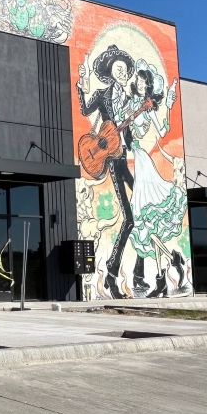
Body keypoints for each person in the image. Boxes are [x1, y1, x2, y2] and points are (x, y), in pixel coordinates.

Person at [77, 45, 136, 298]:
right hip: (111, 161)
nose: (122, 73)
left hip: (126, 157)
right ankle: (111, 274)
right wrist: (80, 85)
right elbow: (84, 111)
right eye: (117, 69)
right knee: (130, 218)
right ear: (110, 73)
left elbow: (132, 134)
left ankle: (131, 270)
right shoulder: (102, 95)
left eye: (124, 69)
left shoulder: (132, 98)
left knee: (143, 208)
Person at [124, 61, 183, 295]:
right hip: (137, 161)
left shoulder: (147, 108)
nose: (139, 84)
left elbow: (161, 131)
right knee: (146, 225)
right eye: (137, 80)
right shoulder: (129, 105)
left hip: (144, 162)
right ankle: (164, 273)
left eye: (143, 81)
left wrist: (167, 105)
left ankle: (170, 262)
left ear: (148, 85)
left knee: (143, 221)